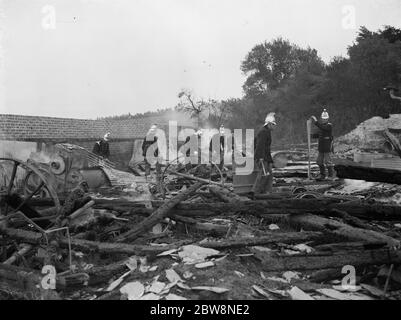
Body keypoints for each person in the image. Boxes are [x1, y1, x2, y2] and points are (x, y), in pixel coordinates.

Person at [250, 112, 276, 197]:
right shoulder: (263, 132)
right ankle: (255, 192)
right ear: (269, 124)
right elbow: (259, 145)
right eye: (273, 124)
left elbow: (264, 147)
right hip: (261, 157)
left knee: (269, 173)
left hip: (265, 157)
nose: (274, 126)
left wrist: (269, 160)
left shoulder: (266, 131)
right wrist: (260, 157)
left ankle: (267, 191)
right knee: (263, 174)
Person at [310, 109, 335, 181]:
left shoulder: (329, 126)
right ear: (321, 119)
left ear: (327, 119)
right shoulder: (321, 127)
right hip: (321, 147)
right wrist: (311, 135)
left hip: (327, 147)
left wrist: (316, 121)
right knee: (319, 161)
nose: (324, 120)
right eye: (323, 119)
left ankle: (331, 176)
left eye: (325, 119)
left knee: (328, 162)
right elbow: (318, 135)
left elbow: (323, 128)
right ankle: (322, 175)